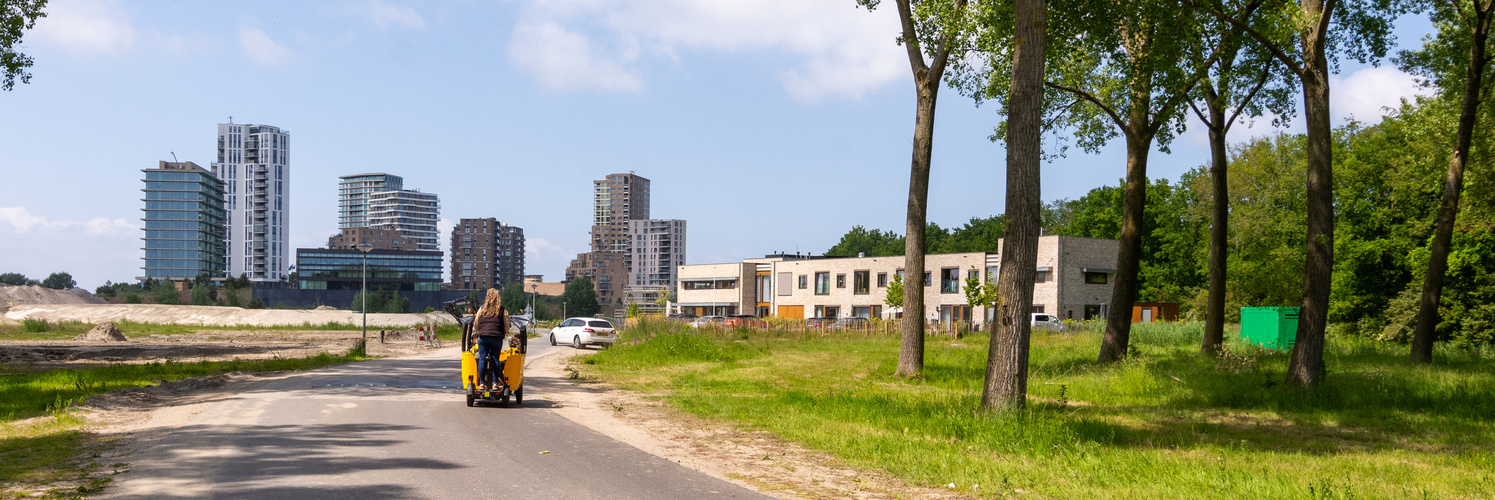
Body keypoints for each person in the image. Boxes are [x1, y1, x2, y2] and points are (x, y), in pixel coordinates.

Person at [472, 288, 509, 390]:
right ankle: (495, 383)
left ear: (487, 298)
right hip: (496, 337)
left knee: (482, 358)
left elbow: (476, 323)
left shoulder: (481, 309)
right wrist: (505, 332)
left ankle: (482, 383)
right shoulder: (502, 310)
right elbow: (506, 325)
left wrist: (478, 332)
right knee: (495, 358)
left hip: (483, 337)